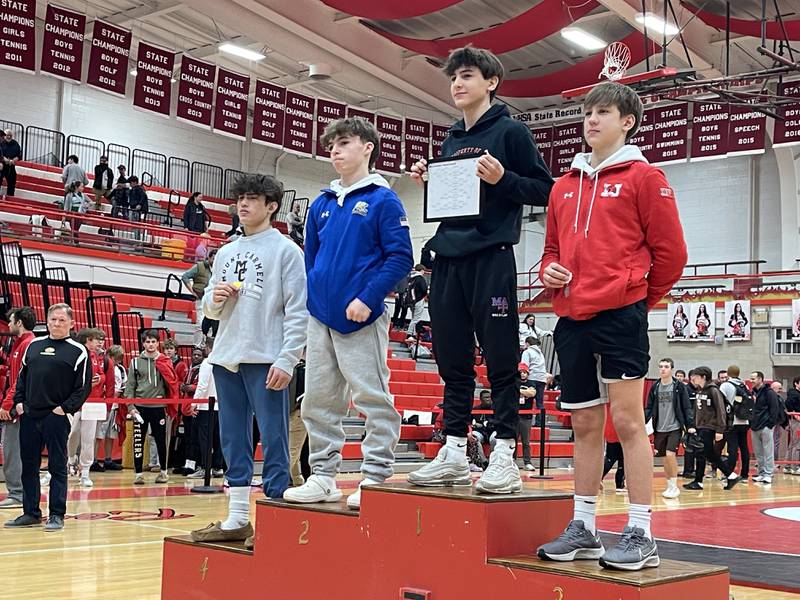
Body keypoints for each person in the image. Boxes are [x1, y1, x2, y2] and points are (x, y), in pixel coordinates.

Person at [536, 81, 687, 571]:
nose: (592, 120)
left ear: (628, 121)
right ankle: (584, 527)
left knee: (626, 423)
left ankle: (641, 533)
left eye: (603, 112)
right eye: (587, 112)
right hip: (571, 318)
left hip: (622, 315)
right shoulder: (563, 186)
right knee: (583, 423)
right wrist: (549, 271)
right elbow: (552, 250)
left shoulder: (646, 178)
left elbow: (671, 254)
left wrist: (638, 299)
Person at [407, 46, 553, 495]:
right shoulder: (450, 141)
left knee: (502, 356)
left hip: (492, 258)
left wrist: (503, 180)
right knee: (451, 358)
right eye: (454, 77)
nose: (457, 84)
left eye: (467, 76)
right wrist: (432, 182)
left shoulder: (511, 132)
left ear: (491, 82)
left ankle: (505, 452)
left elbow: (545, 190)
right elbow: (457, 206)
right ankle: (454, 449)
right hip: (450, 260)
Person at [283, 116, 413, 510]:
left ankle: (375, 476)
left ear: (367, 147)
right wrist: (314, 302)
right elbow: (312, 260)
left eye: (344, 142)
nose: (335, 150)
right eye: (332, 145)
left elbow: (401, 258)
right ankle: (322, 476)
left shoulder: (383, 199)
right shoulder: (322, 202)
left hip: (362, 317)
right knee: (318, 401)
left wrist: (368, 298)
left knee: (372, 397)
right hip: (320, 316)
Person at [190, 173, 307, 549]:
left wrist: (288, 359)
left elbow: (298, 311)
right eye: (240, 198)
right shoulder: (225, 251)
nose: (242, 205)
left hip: (267, 355)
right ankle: (238, 517)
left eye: (252, 198)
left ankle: (273, 515)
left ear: (271, 206)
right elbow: (207, 305)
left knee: (274, 437)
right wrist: (216, 298)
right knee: (232, 437)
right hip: (226, 355)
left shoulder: (287, 250)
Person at [4, 304, 92, 532]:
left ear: (72, 323)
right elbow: (21, 379)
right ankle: (31, 513)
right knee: (29, 466)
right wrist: (20, 404)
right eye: (53, 319)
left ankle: (56, 515)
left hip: (56, 417)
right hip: (30, 416)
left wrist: (64, 409)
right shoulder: (34, 345)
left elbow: (82, 388)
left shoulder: (78, 351)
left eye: (62, 320)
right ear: (47, 321)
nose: (57, 324)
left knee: (57, 466)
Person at [124, 330, 178, 485]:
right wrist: (130, 406)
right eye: (147, 342)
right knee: (138, 440)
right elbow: (130, 387)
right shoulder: (135, 362)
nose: (150, 344)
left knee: (161, 440)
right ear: (143, 343)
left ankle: (163, 472)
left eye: (153, 341)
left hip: (159, 407)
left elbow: (172, 383)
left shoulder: (164, 360)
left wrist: (170, 403)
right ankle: (138, 474)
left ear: (158, 343)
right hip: (140, 407)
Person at [0, 307, 37, 509]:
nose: (9, 325)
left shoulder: (28, 344)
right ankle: (19, 492)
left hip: (18, 407)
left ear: (19, 323)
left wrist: (7, 404)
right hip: (18, 404)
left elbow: (20, 380)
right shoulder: (19, 344)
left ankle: (17, 493)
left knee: (12, 450)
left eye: (11, 321)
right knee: (14, 449)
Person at [683, 367, 740, 491]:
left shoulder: (713, 390)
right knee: (706, 454)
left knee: (705, 454)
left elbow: (721, 411)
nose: (692, 378)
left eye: (695, 376)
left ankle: (702, 480)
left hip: (709, 427)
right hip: (701, 427)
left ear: (703, 377)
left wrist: (720, 430)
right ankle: (730, 476)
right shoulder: (700, 390)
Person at [644, 358, 694, 499]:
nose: (663, 369)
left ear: (671, 368)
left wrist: (690, 425)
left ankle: (674, 485)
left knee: (671, 454)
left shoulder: (679, 387)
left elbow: (686, 407)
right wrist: (644, 421)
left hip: (675, 426)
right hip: (659, 427)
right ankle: (669, 485)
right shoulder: (655, 387)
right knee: (664, 458)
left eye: (666, 366)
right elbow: (649, 407)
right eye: (661, 367)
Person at [66, 328, 108, 487]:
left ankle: (85, 473)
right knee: (72, 434)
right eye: (96, 339)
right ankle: (71, 459)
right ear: (87, 340)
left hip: (93, 402)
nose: (99, 342)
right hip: (76, 402)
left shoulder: (97, 357)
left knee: (88, 438)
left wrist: (100, 379)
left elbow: (103, 375)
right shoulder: (76, 355)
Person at [190, 341, 224, 479]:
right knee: (218, 438)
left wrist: (194, 403)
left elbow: (202, 385)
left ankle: (205, 467)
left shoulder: (207, 363)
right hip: (221, 406)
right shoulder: (224, 362)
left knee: (205, 439)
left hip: (206, 406)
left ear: (209, 348)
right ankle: (218, 466)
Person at [93, 344, 125, 472]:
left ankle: (108, 459)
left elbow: (122, 384)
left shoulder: (121, 369)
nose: (116, 361)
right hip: (104, 403)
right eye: (115, 358)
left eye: (119, 359)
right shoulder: (105, 365)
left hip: (115, 405)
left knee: (111, 435)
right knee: (98, 434)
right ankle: (93, 460)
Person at [719, 365, 752, 482]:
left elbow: (720, 403)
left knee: (732, 449)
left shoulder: (725, 385)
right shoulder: (744, 385)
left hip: (731, 421)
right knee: (744, 448)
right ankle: (744, 475)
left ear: (728, 373)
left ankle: (730, 474)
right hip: (745, 421)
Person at [749, 371, 781, 485]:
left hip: (766, 426)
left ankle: (768, 474)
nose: (751, 381)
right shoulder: (753, 392)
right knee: (758, 452)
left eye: (753, 379)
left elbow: (774, 409)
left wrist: (770, 425)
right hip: (754, 426)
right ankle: (761, 473)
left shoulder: (769, 392)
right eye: (751, 378)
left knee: (768, 451)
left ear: (760, 379)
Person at [181, 250, 218, 346]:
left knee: (210, 326)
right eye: (213, 258)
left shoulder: (219, 269)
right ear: (209, 258)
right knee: (199, 324)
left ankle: (206, 347)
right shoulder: (199, 266)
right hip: (200, 298)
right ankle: (196, 346)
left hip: (212, 300)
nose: (215, 261)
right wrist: (192, 292)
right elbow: (185, 276)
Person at [516, 363, 538, 471]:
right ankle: (512, 461)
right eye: (520, 373)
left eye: (524, 373)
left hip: (526, 417)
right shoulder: (514, 382)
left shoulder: (531, 383)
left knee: (526, 441)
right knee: (512, 440)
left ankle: (527, 462)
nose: (523, 375)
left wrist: (519, 391)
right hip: (515, 415)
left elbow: (532, 393)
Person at [521, 336, 547, 415]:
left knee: (528, 400)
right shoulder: (540, 353)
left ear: (527, 343)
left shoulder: (527, 352)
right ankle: (540, 422)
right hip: (542, 378)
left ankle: (526, 416)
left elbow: (524, 366)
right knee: (540, 402)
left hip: (532, 377)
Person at [602, 410, 625, 492]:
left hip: (610, 429)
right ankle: (619, 485)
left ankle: (598, 478)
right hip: (619, 429)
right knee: (622, 460)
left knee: (610, 458)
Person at [405, 264, 428, 337]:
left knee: (413, 317)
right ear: (421, 270)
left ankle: (413, 333)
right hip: (419, 300)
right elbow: (424, 289)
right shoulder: (420, 278)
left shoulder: (411, 278)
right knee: (416, 319)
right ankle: (409, 334)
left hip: (411, 301)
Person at [0, 129, 22, 196]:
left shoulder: (15, 144)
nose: (9, 137)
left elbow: (19, 155)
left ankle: (10, 197)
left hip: (11, 166)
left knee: (12, 182)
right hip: (2, 165)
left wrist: (14, 160)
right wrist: (4, 159)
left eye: (10, 135)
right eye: (7, 135)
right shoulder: (1, 143)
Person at [786, 376, 800, 475]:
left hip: (795, 420)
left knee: (792, 444)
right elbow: (789, 406)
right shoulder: (794, 394)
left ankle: (787, 466)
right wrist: (796, 417)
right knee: (797, 444)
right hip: (796, 421)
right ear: (796, 383)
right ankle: (794, 467)